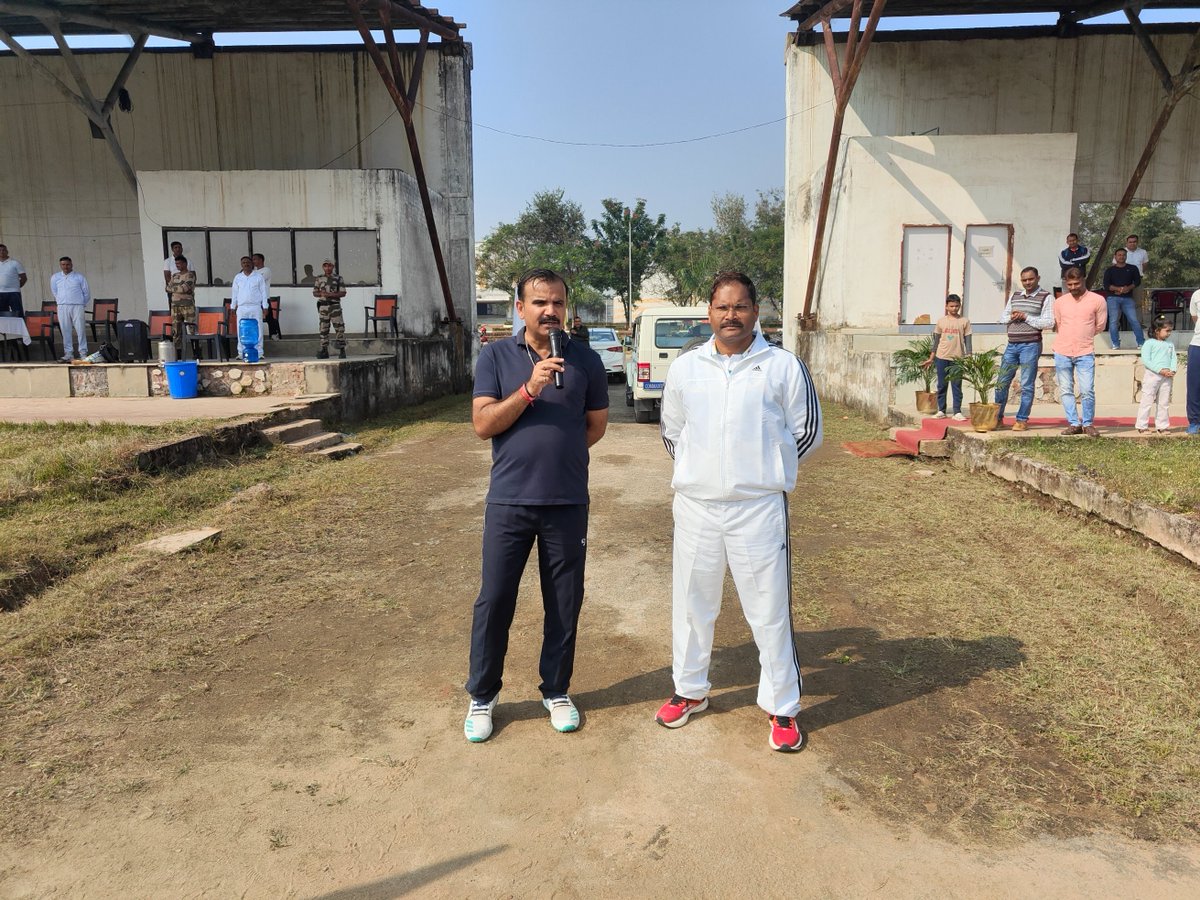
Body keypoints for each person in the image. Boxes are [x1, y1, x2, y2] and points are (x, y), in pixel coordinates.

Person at [655, 271, 821, 753]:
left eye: (741, 307)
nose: (732, 316)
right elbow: (673, 431)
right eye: (723, 307)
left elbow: (805, 433)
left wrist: (764, 470)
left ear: (756, 312)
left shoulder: (782, 365)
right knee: (691, 602)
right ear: (709, 313)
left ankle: (782, 707)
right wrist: (701, 471)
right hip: (697, 507)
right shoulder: (687, 368)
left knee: (768, 609)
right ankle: (689, 691)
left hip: (757, 508)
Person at [464, 268, 608, 743]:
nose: (550, 311)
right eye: (540, 303)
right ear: (520, 308)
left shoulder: (585, 359)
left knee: (564, 601)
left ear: (566, 308)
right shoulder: (495, 355)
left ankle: (557, 690)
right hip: (509, 501)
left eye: (558, 304)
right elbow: (484, 424)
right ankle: (482, 697)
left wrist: (559, 458)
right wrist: (529, 389)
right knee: (495, 599)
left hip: (567, 502)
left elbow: (594, 427)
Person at [994, 267, 1054, 431]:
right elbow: (1002, 318)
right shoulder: (1015, 296)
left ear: (1038, 278)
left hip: (1031, 345)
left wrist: (1026, 317)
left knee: (1026, 384)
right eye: (1024, 280)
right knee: (1001, 383)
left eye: (1031, 279)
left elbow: (1049, 322)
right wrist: (1012, 316)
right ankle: (997, 418)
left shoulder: (1046, 297)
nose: (1027, 283)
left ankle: (1021, 419)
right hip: (1012, 344)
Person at [1053, 267, 1107, 437]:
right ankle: (1074, 423)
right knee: (1066, 389)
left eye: (1076, 283)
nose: (1073, 287)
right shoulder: (1060, 302)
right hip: (1062, 350)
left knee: (1087, 390)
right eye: (1069, 284)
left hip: (1085, 351)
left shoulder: (1098, 300)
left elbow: (1100, 326)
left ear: (1083, 280)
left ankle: (1088, 423)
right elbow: (1059, 324)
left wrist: (1083, 336)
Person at [924, 294, 972, 421]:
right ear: (946, 306)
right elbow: (936, 341)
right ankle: (941, 410)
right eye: (951, 306)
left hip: (958, 358)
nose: (954, 308)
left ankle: (957, 411)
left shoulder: (964, 321)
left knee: (957, 385)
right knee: (942, 385)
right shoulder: (941, 321)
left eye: (957, 306)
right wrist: (931, 357)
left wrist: (969, 356)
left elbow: (968, 340)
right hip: (941, 356)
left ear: (960, 306)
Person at [1135, 317, 1177, 434]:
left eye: (1170, 331)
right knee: (1147, 400)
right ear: (1157, 330)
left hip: (1167, 376)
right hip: (1152, 376)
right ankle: (1142, 426)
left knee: (1163, 402)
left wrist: (1172, 370)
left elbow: (1173, 358)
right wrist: (1160, 370)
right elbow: (1147, 361)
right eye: (1166, 330)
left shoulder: (1170, 345)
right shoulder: (1149, 343)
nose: (1169, 333)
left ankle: (1162, 426)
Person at [1101, 247, 1144, 350]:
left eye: (1123, 255)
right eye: (1119, 255)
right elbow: (1106, 285)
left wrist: (1128, 288)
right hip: (1113, 298)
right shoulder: (1110, 270)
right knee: (1113, 321)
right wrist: (1119, 289)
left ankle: (1141, 342)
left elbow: (1137, 281)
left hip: (1127, 298)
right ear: (1115, 257)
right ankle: (1115, 343)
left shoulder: (1133, 268)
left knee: (1134, 320)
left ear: (1126, 256)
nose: (1121, 257)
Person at [50, 256, 89, 362]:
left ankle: (83, 353)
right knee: (65, 330)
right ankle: (68, 353)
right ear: (60, 265)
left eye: (67, 264)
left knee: (80, 329)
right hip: (62, 306)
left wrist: (81, 303)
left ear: (71, 265)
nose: (65, 267)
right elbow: (55, 291)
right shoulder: (55, 277)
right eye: (63, 264)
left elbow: (86, 293)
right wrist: (61, 301)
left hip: (77, 305)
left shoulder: (79, 277)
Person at [231, 256, 267, 359]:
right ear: (241, 265)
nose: (246, 264)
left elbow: (264, 292)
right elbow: (234, 293)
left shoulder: (258, 276)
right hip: (242, 307)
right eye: (243, 263)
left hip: (255, 307)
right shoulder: (238, 277)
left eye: (248, 262)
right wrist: (233, 306)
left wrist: (265, 306)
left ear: (252, 264)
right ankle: (241, 352)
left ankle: (259, 352)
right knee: (241, 330)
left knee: (258, 329)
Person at [311, 259, 347, 359]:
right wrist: (321, 294)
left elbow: (343, 293)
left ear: (333, 267)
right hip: (323, 306)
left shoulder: (338, 278)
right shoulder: (319, 278)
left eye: (329, 266)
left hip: (334, 306)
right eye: (325, 266)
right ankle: (324, 350)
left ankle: (342, 350)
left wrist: (331, 294)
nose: (327, 268)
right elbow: (315, 292)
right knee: (323, 329)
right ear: (323, 267)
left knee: (339, 328)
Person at [166, 256, 197, 358]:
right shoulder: (175, 276)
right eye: (176, 264)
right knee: (176, 331)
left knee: (191, 329)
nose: (177, 266)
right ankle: (178, 356)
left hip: (187, 306)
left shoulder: (190, 276)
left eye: (179, 264)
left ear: (185, 263)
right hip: (175, 306)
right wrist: (178, 288)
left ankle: (196, 354)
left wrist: (174, 288)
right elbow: (167, 288)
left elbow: (185, 288)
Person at [0, 244, 27, 318]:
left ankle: (20, 329)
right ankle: (3, 330)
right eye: (0, 250)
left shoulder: (15, 263)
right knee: (2, 315)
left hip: (14, 292)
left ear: (7, 252)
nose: (1, 252)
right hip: (0, 293)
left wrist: (16, 287)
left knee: (18, 313)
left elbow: (24, 278)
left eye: (3, 250)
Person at [1188, 288, 1200, 436]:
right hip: (1197, 344)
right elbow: (1194, 317)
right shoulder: (1197, 294)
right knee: (1194, 385)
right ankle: (1194, 421)